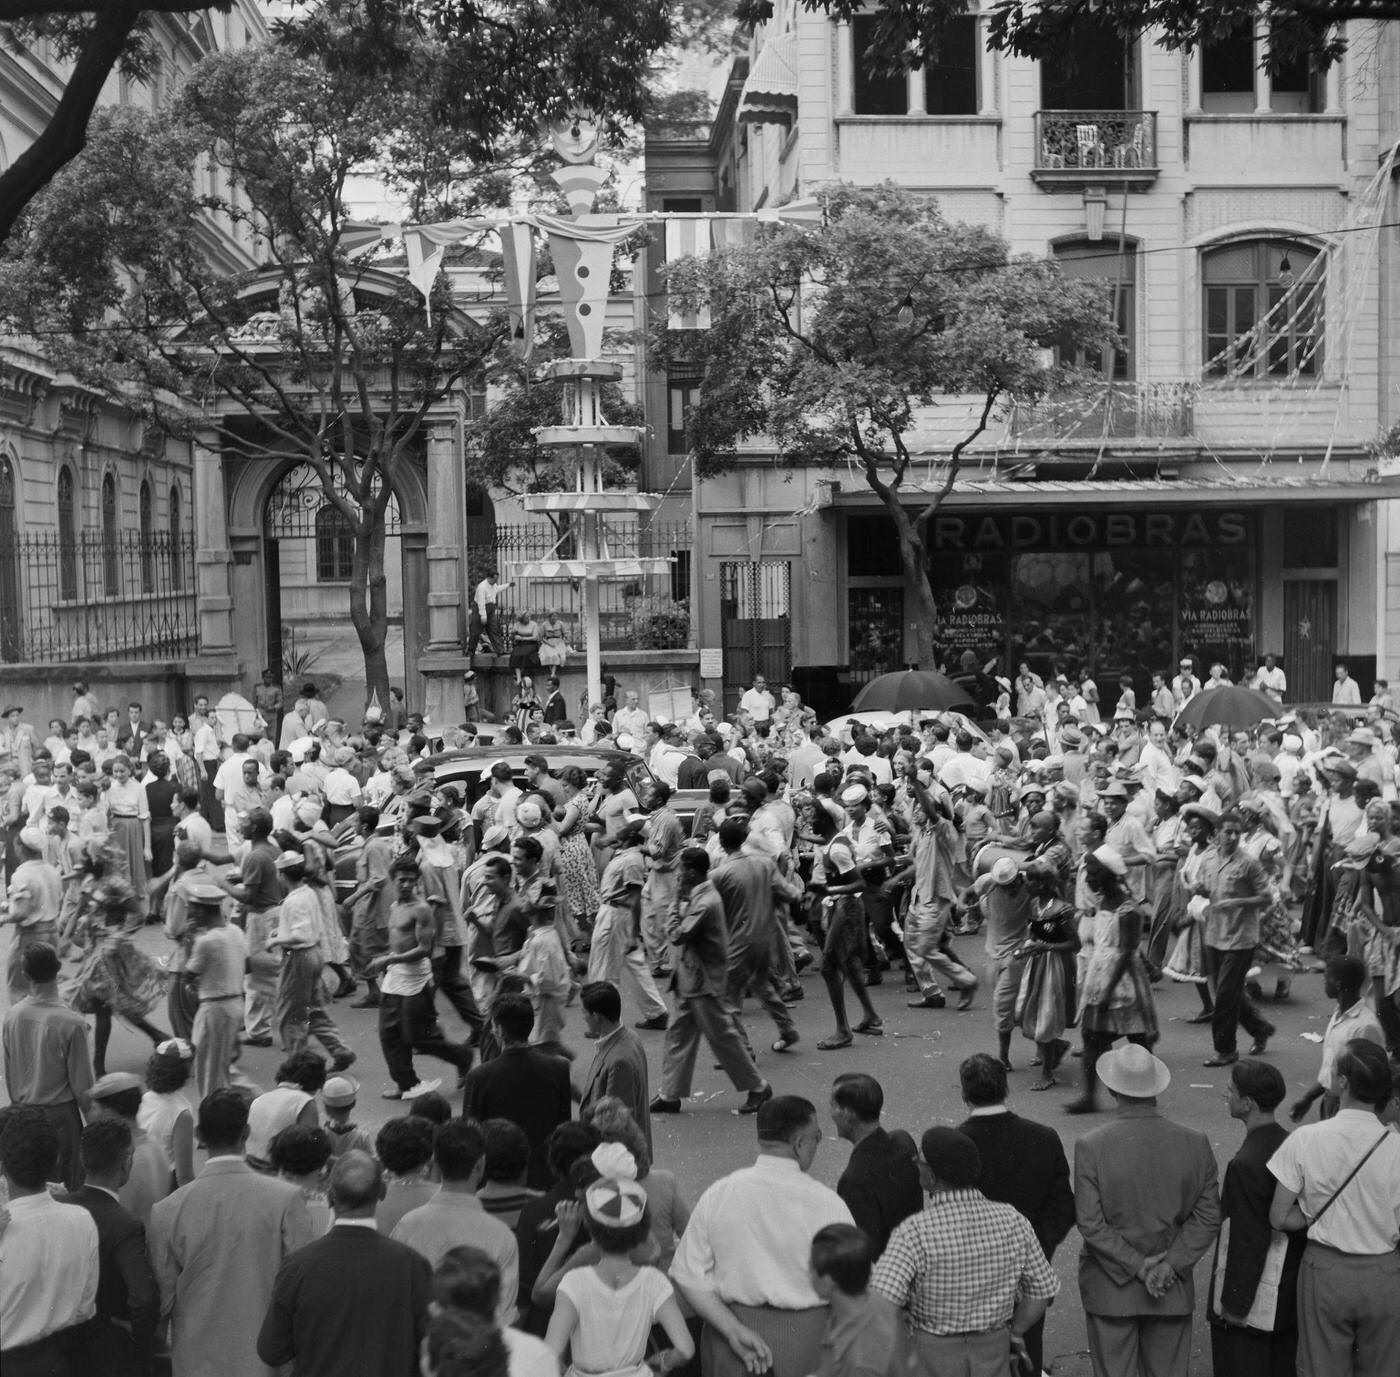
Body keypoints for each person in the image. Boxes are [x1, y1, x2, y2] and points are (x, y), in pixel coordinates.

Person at [670, 1096, 855, 1377]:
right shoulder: (828, 1205)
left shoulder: (720, 1194)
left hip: (731, 1345)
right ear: (800, 1144)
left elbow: (685, 1274)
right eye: (817, 1137)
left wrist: (732, 1330)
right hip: (807, 1347)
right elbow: (855, 1287)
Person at [1074, 1044, 1221, 1377]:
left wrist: (1138, 1267)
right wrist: (1170, 1265)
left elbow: (1091, 1223)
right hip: (1171, 1288)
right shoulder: (1194, 1142)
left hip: (1111, 1288)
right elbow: (1208, 1216)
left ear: (1112, 1089)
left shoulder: (1091, 1145)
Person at [147, 1088, 316, 1377]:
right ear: (246, 1133)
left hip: (196, 1361)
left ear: (199, 1135)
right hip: (266, 1361)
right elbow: (306, 1286)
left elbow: (162, 1300)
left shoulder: (167, 1209)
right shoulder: (286, 1199)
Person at [872, 1125, 1059, 1375]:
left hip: (932, 1354)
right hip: (994, 1349)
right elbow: (1042, 1291)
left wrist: (902, 1349)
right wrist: (1014, 1331)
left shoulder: (914, 1231)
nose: (916, 1164)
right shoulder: (1013, 1221)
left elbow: (881, 1301)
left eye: (920, 1160)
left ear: (931, 1176)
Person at [1268, 1039, 1400, 1377]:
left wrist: (1313, 1214)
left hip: (1325, 1271)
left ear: (1342, 1083)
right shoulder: (1397, 1146)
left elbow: (1279, 1216)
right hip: (1384, 1273)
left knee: (1320, 1366)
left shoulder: (1305, 1139)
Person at [258, 1150, 432, 1377]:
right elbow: (430, 1344)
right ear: (382, 1191)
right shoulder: (412, 1263)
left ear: (330, 1196)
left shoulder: (298, 1265)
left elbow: (272, 1351)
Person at [955, 1053, 1074, 1373]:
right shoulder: (1044, 1137)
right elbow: (1063, 1205)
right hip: (1029, 1270)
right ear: (1005, 1088)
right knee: (1027, 1348)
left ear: (964, 1093)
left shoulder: (955, 1146)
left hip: (973, 1274)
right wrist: (1037, 1247)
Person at [544, 1152, 694, 1377]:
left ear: (592, 1227)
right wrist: (660, 1363)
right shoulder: (654, 1281)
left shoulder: (574, 1283)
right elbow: (685, 1349)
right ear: (642, 1228)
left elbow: (549, 1355)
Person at [650, 847, 772, 1118]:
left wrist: (673, 902)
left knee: (723, 1038)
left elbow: (678, 934)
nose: (678, 875)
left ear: (691, 872)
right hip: (688, 979)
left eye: (681, 870)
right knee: (677, 1036)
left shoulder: (706, 901)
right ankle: (670, 1094)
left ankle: (758, 1086)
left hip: (703, 982)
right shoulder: (699, 894)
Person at [1210, 1059, 1304, 1377]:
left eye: (1232, 1090)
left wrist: (1235, 1304)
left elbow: (1246, 1238)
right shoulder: (1291, 1144)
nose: (1227, 1094)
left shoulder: (1246, 1164)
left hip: (1254, 1304)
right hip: (1289, 1294)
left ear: (1247, 1103)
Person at [56, 1117, 162, 1377]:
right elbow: (144, 1297)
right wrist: (140, 1340)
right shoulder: (126, 1224)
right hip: (108, 1352)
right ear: (127, 1160)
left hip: (60, 1348)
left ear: (83, 1159)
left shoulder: (59, 1207)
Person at [0, 1105, 100, 1377]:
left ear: (3, 1164)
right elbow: (84, 1309)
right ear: (57, 1160)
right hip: (62, 1360)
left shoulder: (4, 1228)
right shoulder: (81, 1219)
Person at [391, 1118, 520, 1323]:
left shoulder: (407, 1226)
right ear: (480, 1164)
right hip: (479, 1349)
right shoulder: (501, 1235)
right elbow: (503, 1317)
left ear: (436, 1163)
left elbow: (396, 1302)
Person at [1069, 847, 1160, 1114]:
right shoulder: (1101, 905)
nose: (1088, 880)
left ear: (1109, 875)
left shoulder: (1129, 910)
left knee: (1139, 1039)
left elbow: (1126, 953)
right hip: (1100, 975)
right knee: (1091, 1037)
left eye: (1094, 874)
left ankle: (1146, 1094)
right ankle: (1089, 1097)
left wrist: (1108, 991)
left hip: (1123, 981)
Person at [374, 858, 471, 1100]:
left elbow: (424, 949)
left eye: (411, 880)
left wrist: (388, 961)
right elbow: (397, 941)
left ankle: (462, 1057)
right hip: (395, 977)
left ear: (417, 882)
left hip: (417, 979)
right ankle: (407, 1084)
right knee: (389, 1034)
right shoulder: (395, 906)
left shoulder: (422, 909)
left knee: (418, 1036)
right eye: (401, 880)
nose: (406, 885)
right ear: (393, 880)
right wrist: (388, 962)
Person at [1, 942, 94, 1189]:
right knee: (66, 1190)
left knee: (31, 1189)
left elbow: (11, 1076)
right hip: (61, 1120)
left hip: (23, 1115)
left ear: (25, 974)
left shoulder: (13, 1016)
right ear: (58, 969)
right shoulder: (72, 1023)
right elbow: (83, 1090)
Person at [462, 994, 573, 1191]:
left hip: (497, 1181)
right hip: (544, 1177)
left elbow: (471, 1138)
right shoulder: (559, 1068)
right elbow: (562, 1128)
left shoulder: (479, 1077)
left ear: (498, 1030)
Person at [1201, 811, 1275, 1068]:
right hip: (1213, 932)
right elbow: (1206, 889)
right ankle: (1260, 1027)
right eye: (1227, 832)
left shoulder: (1249, 863)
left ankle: (1226, 1050)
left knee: (1224, 996)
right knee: (1226, 992)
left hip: (1241, 938)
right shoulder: (1209, 858)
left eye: (1236, 832)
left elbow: (1267, 897)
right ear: (1217, 834)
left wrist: (1239, 901)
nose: (1232, 837)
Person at [829, 1072, 922, 1259]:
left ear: (847, 1114)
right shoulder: (902, 1142)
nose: (831, 1113)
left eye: (833, 1106)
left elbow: (864, 1251)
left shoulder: (854, 1180)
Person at [1288, 955, 1384, 1123]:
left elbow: (1372, 1080)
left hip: (1349, 1109)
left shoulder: (1365, 1027)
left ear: (1338, 984)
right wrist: (1308, 1098)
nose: (1324, 983)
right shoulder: (1338, 1014)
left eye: (1326, 979)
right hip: (1330, 1101)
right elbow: (1332, 1070)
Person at [807, 1224, 908, 1377]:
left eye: (812, 1269)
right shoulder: (873, 1300)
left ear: (829, 1281)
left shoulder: (860, 1363)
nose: (808, 1274)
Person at [186, 882, 251, 1100]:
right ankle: (249, 1098)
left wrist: (190, 940)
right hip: (234, 1003)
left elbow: (190, 973)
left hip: (214, 1007)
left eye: (193, 908)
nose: (190, 913)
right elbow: (247, 964)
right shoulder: (235, 932)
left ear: (203, 910)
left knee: (208, 1069)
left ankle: (212, 1113)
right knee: (220, 1064)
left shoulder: (206, 941)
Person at [84, 1070, 172, 1226]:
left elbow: (113, 1217)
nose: (88, 1114)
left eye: (93, 1108)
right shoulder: (155, 1145)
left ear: (108, 1114)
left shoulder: (120, 1160)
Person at [576, 981, 651, 1150]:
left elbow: (615, 1123)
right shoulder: (629, 1037)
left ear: (597, 1017)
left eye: (584, 1013)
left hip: (616, 1156)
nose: (583, 1017)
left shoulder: (619, 1061)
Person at [140, 1038, 197, 1188]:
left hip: (142, 1176)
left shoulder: (144, 1099)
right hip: (165, 1183)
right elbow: (184, 1175)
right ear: (187, 1069)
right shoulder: (181, 1113)